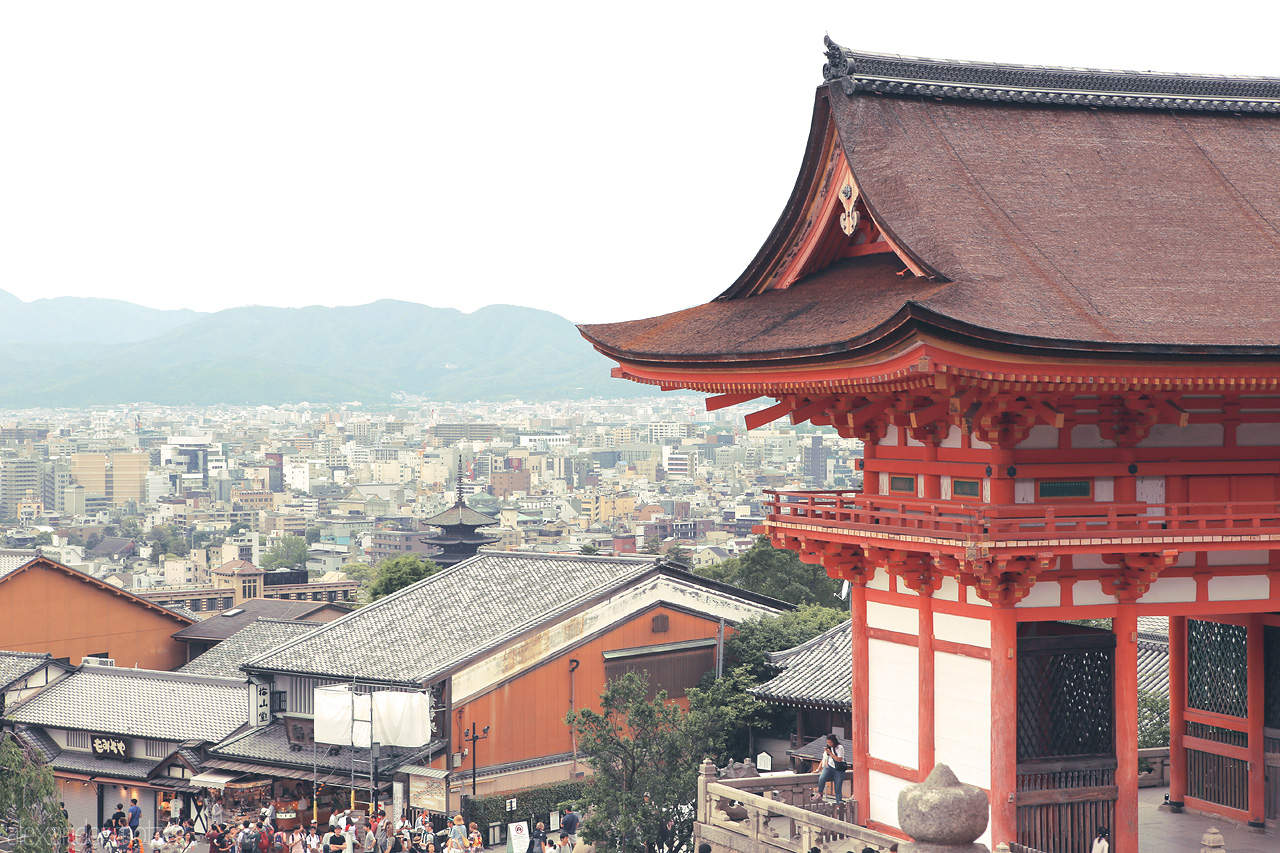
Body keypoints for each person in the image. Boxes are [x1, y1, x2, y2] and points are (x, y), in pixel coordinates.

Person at [811, 734, 846, 803]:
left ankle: (839, 803)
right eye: (828, 742)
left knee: (837, 788)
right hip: (829, 767)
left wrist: (830, 753)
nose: (829, 744)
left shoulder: (839, 747)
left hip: (839, 769)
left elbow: (839, 759)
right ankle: (820, 793)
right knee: (822, 778)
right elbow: (824, 759)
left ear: (834, 741)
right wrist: (818, 769)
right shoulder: (828, 748)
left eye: (830, 742)